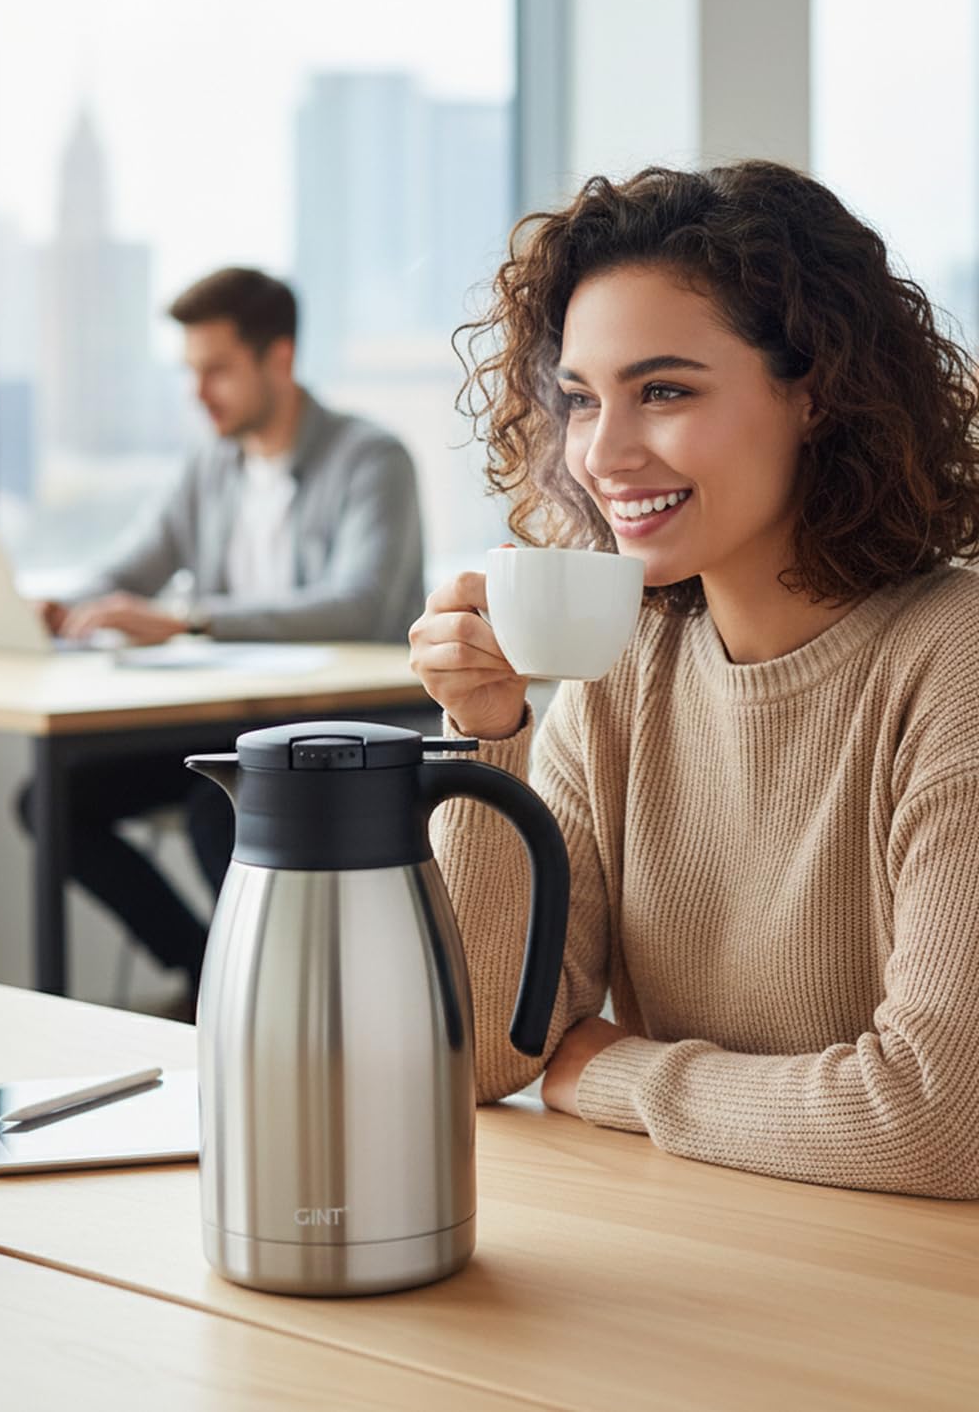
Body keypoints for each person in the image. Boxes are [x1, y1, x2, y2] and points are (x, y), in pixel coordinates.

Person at [409, 161, 979, 1200]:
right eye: (582, 400)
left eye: (664, 390)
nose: (605, 452)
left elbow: (941, 1119)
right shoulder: (621, 667)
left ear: (817, 391)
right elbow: (483, 1052)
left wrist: (615, 1073)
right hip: (694, 1256)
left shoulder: (956, 663)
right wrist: (489, 735)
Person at [18, 267, 425, 1008]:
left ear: (280, 359)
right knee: (51, 800)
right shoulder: (212, 465)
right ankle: (212, 977)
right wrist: (47, 607)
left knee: (222, 803)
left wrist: (192, 619)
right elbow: (129, 570)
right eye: (190, 373)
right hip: (229, 724)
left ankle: (278, 1003)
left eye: (216, 371)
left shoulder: (371, 459)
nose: (198, 394)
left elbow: (359, 605)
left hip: (339, 728)